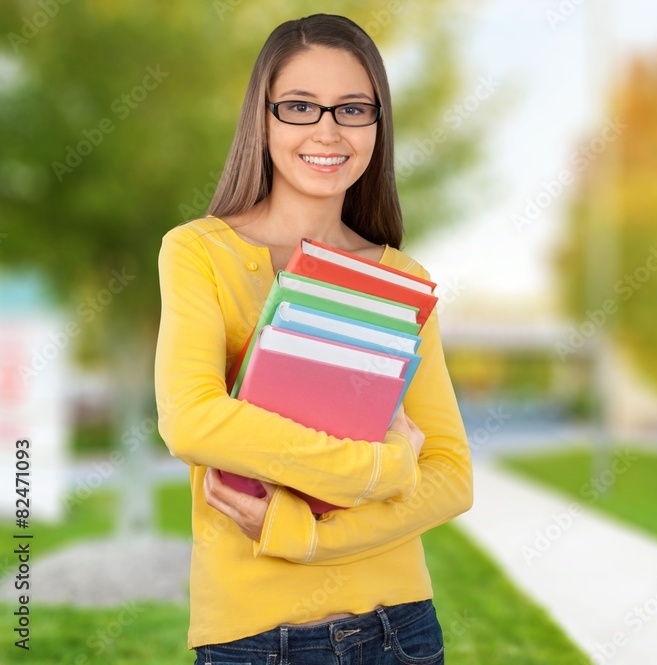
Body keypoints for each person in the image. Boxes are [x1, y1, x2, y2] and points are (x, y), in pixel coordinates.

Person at [153, 14, 473, 665]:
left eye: (352, 108)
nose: (327, 130)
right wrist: (381, 466)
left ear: (377, 124)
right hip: (253, 638)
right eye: (300, 106)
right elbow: (191, 421)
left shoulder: (402, 279)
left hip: (400, 631)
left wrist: (302, 533)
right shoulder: (197, 252)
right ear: (263, 118)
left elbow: (451, 476)